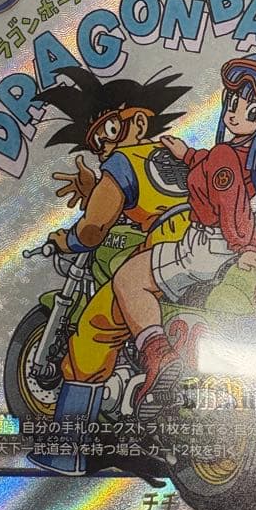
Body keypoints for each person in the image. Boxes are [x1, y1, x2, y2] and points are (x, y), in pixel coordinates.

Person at [112, 51, 256, 407]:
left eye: (251, 111)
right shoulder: (249, 155)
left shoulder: (225, 157)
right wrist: (187, 155)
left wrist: (245, 246)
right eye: (233, 103)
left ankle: (157, 354)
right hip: (226, 246)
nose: (234, 113)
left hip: (206, 248)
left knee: (127, 279)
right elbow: (221, 175)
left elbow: (231, 203)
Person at [27, 66, 192, 474]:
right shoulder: (176, 155)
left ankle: (65, 452)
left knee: (92, 333)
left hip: (159, 254)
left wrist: (67, 239)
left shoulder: (123, 162)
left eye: (110, 129)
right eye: (96, 140)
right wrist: (97, 192)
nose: (103, 144)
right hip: (203, 251)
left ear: (138, 123)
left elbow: (94, 229)